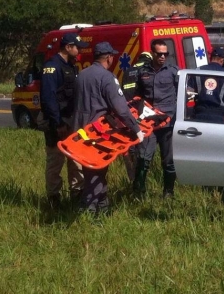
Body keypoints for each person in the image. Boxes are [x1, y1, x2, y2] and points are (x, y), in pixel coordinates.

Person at [73, 41, 145, 214]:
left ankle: (103, 207)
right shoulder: (107, 77)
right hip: (98, 133)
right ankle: (89, 210)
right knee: (96, 172)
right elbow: (121, 108)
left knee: (91, 171)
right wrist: (136, 129)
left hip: (80, 132)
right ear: (109, 58)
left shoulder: (81, 75)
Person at [39, 33, 89, 210]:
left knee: (76, 160)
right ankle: (54, 198)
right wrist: (58, 123)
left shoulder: (71, 67)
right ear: (68, 47)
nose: (80, 50)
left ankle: (77, 194)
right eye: (78, 47)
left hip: (72, 122)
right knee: (55, 162)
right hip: (57, 124)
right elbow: (48, 98)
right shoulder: (52, 67)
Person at [132, 40, 179, 198]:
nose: (163, 57)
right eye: (159, 54)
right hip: (148, 123)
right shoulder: (143, 72)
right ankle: (139, 192)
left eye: (165, 54)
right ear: (152, 53)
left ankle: (168, 192)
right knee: (144, 158)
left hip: (167, 123)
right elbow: (137, 96)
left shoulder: (173, 71)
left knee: (168, 160)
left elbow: (183, 92)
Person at [120, 51, 152, 182]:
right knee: (143, 143)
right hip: (142, 111)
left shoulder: (128, 71)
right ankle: (140, 178)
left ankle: (132, 175)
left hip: (128, 112)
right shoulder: (146, 70)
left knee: (131, 142)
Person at [193, 48, 224, 122]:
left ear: (210, 58)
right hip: (218, 117)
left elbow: (188, 91)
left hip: (199, 114)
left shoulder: (198, 71)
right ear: (222, 60)